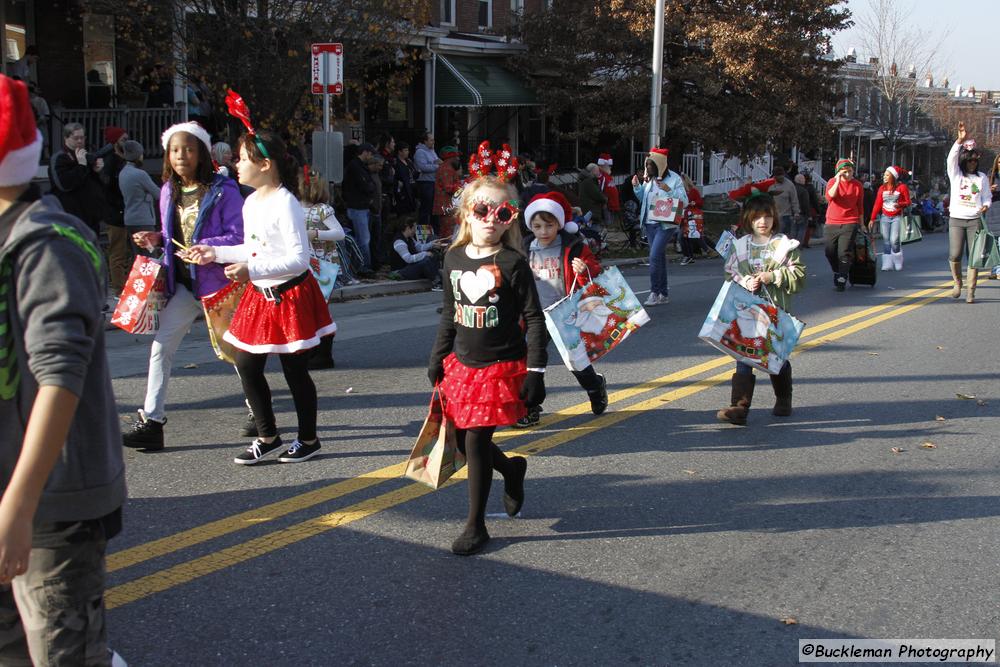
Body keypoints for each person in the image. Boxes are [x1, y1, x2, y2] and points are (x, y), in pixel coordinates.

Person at [0, 73, 126, 667]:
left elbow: (60, 374)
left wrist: (18, 508)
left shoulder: (48, 242)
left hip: (51, 504)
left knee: (61, 655)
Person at [186, 131, 336, 465]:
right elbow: (254, 248)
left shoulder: (287, 203)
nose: (235, 164)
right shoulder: (251, 200)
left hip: (290, 295)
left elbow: (298, 259)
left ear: (265, 165)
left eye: (242, 158)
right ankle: (267, 436)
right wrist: (215, 252)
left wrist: (250, 269)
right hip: (260, 295)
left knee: (295, 371)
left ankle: (308, 439)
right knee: (246, 364)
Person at [427, 164, 547, 556]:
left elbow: (533, 317)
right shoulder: (454, 258)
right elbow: (449, 312)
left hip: (501, 367)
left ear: (510, 217)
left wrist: (536, 370)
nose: (490, 220)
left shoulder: (513, 262)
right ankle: (512, 470)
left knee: (477, 438)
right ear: (466, 214)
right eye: (481, 211)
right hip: (462, 364)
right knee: (463, 436)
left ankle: (475, 526)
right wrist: (437, 355)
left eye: (502, 213)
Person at [122, 122, 246, 451]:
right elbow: (170, 235)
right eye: (175, 150)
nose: (181, 156)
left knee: (236, 352)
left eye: (189, 149)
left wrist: (206, 248)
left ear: (202, 153)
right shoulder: (167, 190)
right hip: (182, 285)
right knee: (161, 348)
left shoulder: (224, 189)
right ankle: (152, 420)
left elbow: (239, 236)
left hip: (219, 284)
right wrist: (154, 239)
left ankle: (257, 411)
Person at [518, 191, 607, 428]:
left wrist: (584, 267)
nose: (543, 231)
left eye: (549, 225)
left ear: (559, 223)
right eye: (537, 226)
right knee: (530, 362)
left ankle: (595, 386)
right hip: (534, 314)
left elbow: (594, 271)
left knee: (575, 361)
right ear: (530, 226)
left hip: (564, 312)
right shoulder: (525, 248)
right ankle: (531, 407)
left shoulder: (573, 247)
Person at [716, 193, 805, 426]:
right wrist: (745, 281)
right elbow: (730, 273)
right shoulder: (740, 245)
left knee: (777, 357)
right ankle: (740, 407)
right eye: (757, 218)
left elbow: (798, 275)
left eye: (767, 216)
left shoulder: (785, 246)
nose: (762, 222)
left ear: (774, 217)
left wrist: (773, 275)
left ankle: (784, 398)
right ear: (749, 219)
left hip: (775, 312)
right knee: (743, 356)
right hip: (746, 312)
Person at [300, 165, 344, 370]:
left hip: (322, 266)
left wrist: (315, 234)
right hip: (301, 265)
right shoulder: (293, 208)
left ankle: (322, 353)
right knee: (306, 309)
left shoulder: (322, 210)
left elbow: (339, 233)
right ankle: (311, 350)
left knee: (319, 308)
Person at [632, 147, 688, 306]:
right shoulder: (648, 179)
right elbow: (643, 197)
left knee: (654, 256)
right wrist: (637, 187)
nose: (647, 167)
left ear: (659, 164)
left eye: (651, 164)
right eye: (647, 164)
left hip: (666, 224)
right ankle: (663, 293)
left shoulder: (674, 178)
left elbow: (684, 200)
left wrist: (668, 190)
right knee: (659, 257)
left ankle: (654, 292)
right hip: (649, 223)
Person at [946, 122, 992, 303]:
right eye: (969, 160)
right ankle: (958, 282)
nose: (973, 163)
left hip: (975, 220)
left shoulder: (981, 178)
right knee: (955, 254)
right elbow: (951, 158)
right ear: (964, 160)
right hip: (957, 219)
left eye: (975, 160)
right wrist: (959, 140)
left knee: (974, 256)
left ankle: (971, 290)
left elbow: (987, 197)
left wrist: (986, 205)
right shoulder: (956, 175)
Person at [47, 122, 107, 235]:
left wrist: (97, 172)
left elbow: (99, 184)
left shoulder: (86, 155)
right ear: (66, 138)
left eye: (82, 137)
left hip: (90, 218)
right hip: (71, 218)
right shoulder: (59, 157)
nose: (80, 141)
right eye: (76, 138)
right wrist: (81, 166)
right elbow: (64, 185)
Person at [824, 158, 863, 292]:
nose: (848, 174)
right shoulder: (832, 182)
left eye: (850, 171)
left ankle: (842, 276)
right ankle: (837, 270)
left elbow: (860, 206)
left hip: (850, 222)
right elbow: (830, 197)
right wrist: (837, 180)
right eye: (845, 172)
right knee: (829, 251)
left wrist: (862, 224)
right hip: (832, 222)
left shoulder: (857, 185)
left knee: (843, 252)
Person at [117, 139, 161, 259]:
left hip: (130, 220)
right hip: (144, 220)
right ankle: (154, 279)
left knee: (139, 257)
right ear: (138, 155)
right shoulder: (140, 174)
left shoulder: (123, 173)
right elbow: (159, 194)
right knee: (150, 255)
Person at [100, 126, 130, 297]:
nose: (126, 142)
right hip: (114, 211)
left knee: (124, 251)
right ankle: (119, 288)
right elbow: (108, 187)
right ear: (115, 142)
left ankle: (124, 283)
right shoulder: (110, 161)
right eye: (123, 139)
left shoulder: (124, 159)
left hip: (124, 210)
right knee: (117, 252)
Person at [342, 141, 376, 272]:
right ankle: (364, 266)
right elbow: (366, 186)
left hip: (360, 206)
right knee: (364, 239)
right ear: (365, 152)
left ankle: (362, 265)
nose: (371, 156)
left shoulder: (359, 166)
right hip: (358, 207)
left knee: (363, 238)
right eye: (370, 154)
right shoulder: (356, 167)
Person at [870, 165, 911, 271]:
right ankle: (887, 263)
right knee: (886, 240)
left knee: (894, 240)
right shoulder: (882, 188)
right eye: (884, 174)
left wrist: (900, 205)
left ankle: (897, 259)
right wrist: (872, 219)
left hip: (896, 217)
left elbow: (908, 202)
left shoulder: (902, 187)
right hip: (885, 217)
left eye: (887, 175)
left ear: (893, 176)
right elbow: (877, 204)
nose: (884, 176)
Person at [389, 218, 444, 289]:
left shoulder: (410, 238)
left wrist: (432, 244)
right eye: (414, 228)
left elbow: (420, 248)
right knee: (425, 260)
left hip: (410, 267)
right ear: (408, 228)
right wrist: (425, 254)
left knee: (433, 255)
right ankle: (437, 283)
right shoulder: (399, 242)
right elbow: (408, 259)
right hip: (401, 271)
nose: (415, 231)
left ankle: (438, 277)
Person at [433, 146, 462, 238]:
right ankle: (446, 251)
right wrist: (463, 188)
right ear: (451, 158)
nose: (458, 159)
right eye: (456, 157)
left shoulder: (445, 167)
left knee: (445, 230)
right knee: (447, 232)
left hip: (445, 206)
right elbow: (448, 188)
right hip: (446, 205)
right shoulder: (447, 168)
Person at [414, 132, 440, 231]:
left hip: (433, 182)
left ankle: (435, 233)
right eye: (431, 140)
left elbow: (437, 161)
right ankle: (423, 235)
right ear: (425, 141)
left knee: (434, 210)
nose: (433, 141)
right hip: (426, 183)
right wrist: (437, 166)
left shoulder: (432, 151)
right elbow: (423, 167)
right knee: (425, 210)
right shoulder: (420, 152)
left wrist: (436, 163)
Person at [769, 166, 802, 240]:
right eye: (778, 176)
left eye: (782, 175)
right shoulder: (769, 184)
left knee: (784, 238)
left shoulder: (789, 185)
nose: (781, 177)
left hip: (786, 216)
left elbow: (794, 199)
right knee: (773, 238)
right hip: (773, 216)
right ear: (774, 176)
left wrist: (796, 212)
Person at [679, 174, 705, 265]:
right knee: (686, 237)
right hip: (682, 217)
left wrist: (694, 202)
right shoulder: (680, 192)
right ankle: (689, 256)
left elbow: (700, 202)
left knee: (683, 236)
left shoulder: (693, 191)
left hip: (691, 217)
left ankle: (687, 256)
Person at [578, 163, 607, 227]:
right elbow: (598, 195)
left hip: (588, 210)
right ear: (593, 171)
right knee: (593, 232)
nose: (599, 173)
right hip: (591, 211)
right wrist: (605, 199)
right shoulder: (589, 181)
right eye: (598, 171)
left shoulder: (586, 180)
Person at [393, 141, 417, 218]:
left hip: (412, 190)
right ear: (400, 152)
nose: (408, 152)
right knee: (403, 215)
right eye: (405, 150)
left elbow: (414, 173)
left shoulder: (409, 161)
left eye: (408, 150)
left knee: (412, 215)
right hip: (403, 192)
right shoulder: (396, 163)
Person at [987, 154, 1000, 279]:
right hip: (992, 214)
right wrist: (989, 190)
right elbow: (981, 193)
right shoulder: (990, 177)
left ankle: (998, 270)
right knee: (993, 245)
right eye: (999, 162)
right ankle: (994, 269)